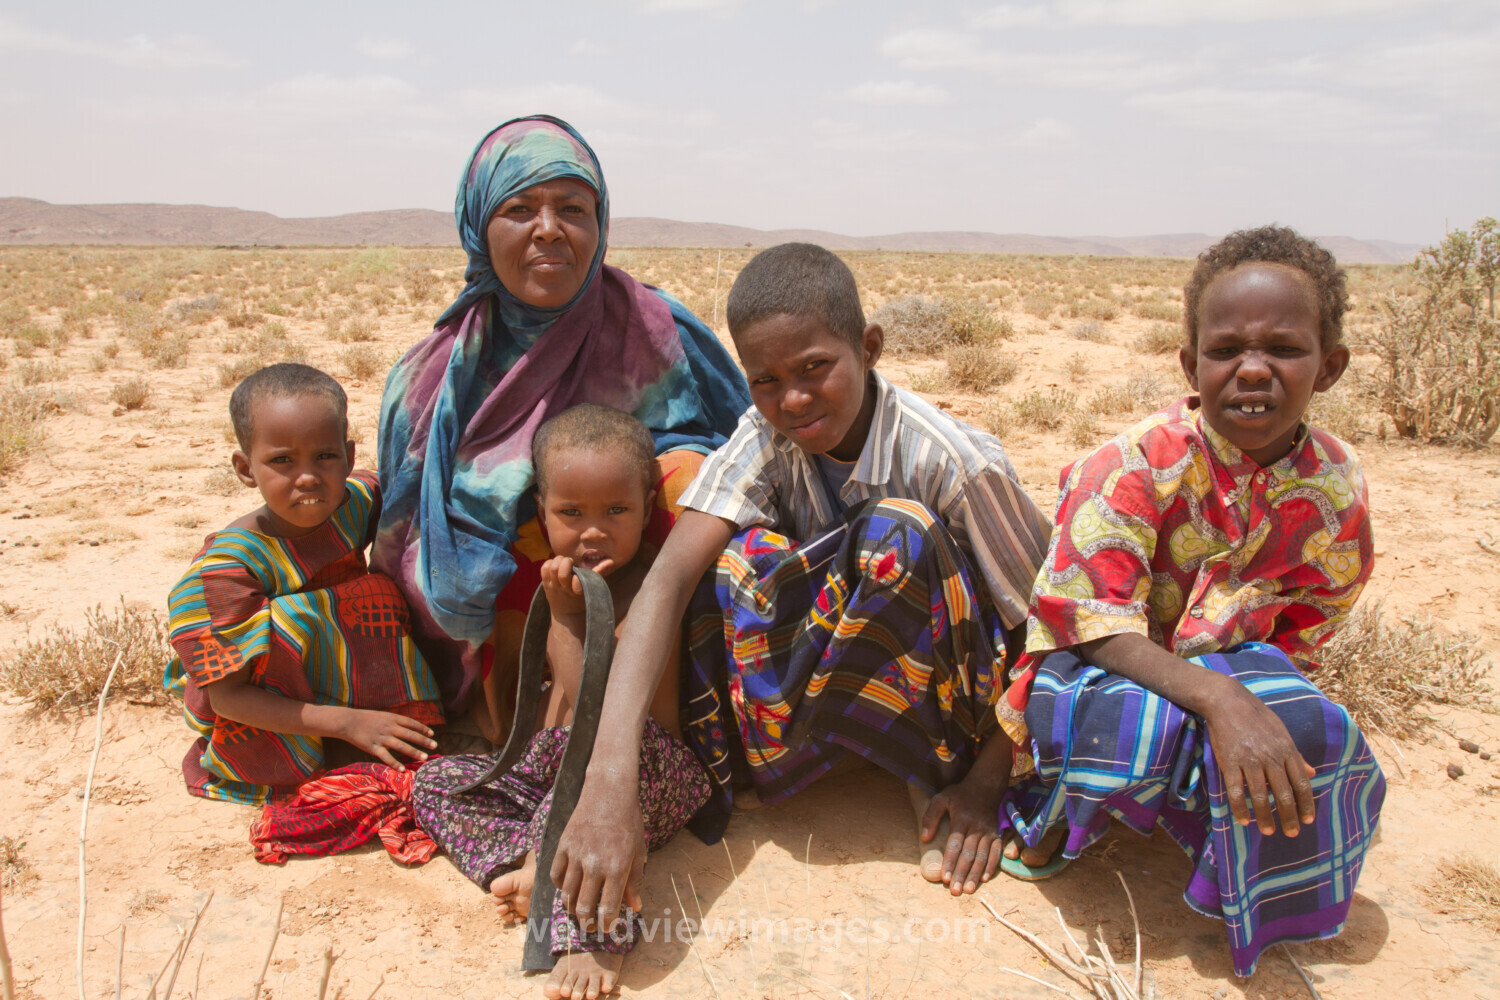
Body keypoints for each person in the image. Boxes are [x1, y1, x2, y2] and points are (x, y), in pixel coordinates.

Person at [550, 242, 1055, 934]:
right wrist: (607, 785)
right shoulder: (766, 436)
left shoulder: (953, 460)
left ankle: (929, 772)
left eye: (816, 368)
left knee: (897, 532)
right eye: (765, 380)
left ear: (869, 347)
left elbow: (1050, 632)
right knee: (727, 561)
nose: (792, 400)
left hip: (956, 702)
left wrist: (985, 783)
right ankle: (779, 767)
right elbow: (667, 583)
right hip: (842, 685)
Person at [998, 225, 1386, 977]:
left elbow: (1317, 614)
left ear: (1329, 367)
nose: (1252, 370)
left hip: (1223, 668)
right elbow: (1085, 624)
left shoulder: (1337, 485)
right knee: (1133, 720)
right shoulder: (1131, 464)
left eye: (1283, 348)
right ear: (1190, 362)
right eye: (1226, 349)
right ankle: (1054, 815)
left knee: (1315, 730)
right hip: (1101, 670)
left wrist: (1257, 695)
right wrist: (1222, 703)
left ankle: (1249, 880)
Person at [372, 115, 748, 746]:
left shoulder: (656, 329)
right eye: (520, 209)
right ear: (478, 225)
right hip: (513, 614)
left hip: (647, 572)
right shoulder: (432, 376)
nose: (549, 229)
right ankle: (524, 715)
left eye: (572, 208)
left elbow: (750, 451)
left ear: (599, 225)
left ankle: (685, 713)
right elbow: (401, 529)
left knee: (692, 483)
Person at [412, 405, 709, 1000]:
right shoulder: (544, 579)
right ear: (541, 510)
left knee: (576, 800)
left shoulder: (654, 586)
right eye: (570, 513)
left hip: (641, 769)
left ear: (647, 507)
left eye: (616, 511)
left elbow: (599, 713)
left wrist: (568, 619)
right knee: (437, 781)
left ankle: (593, 936)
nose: (592, 531)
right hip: (556, 771)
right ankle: (522, 870)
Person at [164, 363, 444, 805]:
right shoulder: (222, 574)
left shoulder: (358, 503)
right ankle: (327, 744)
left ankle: (372, 728)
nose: (308, 476)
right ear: (245, 468)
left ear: (349, 458)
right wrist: (348, 723)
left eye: (325, 457)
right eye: (281, 461)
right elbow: (229, 700)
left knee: (376, 591)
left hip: (334, 688)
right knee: (308, 615)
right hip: (259, 719)